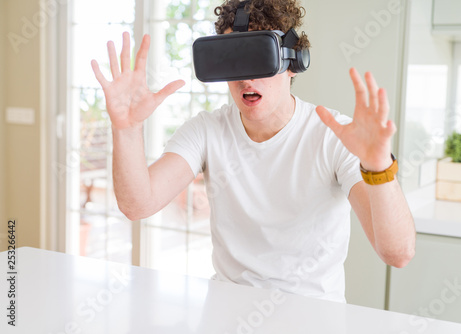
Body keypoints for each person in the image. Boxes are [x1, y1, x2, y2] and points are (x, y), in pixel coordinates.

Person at [91, 0, 415, 303]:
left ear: (293, 62)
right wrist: (127, 129)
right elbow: (138, 204)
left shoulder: (333, 136)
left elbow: (397, 254)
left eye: (258, 58)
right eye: (235, 60)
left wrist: (378, 167)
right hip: (227, 310)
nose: (246, 78)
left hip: (313, 317)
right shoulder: (207, 130)